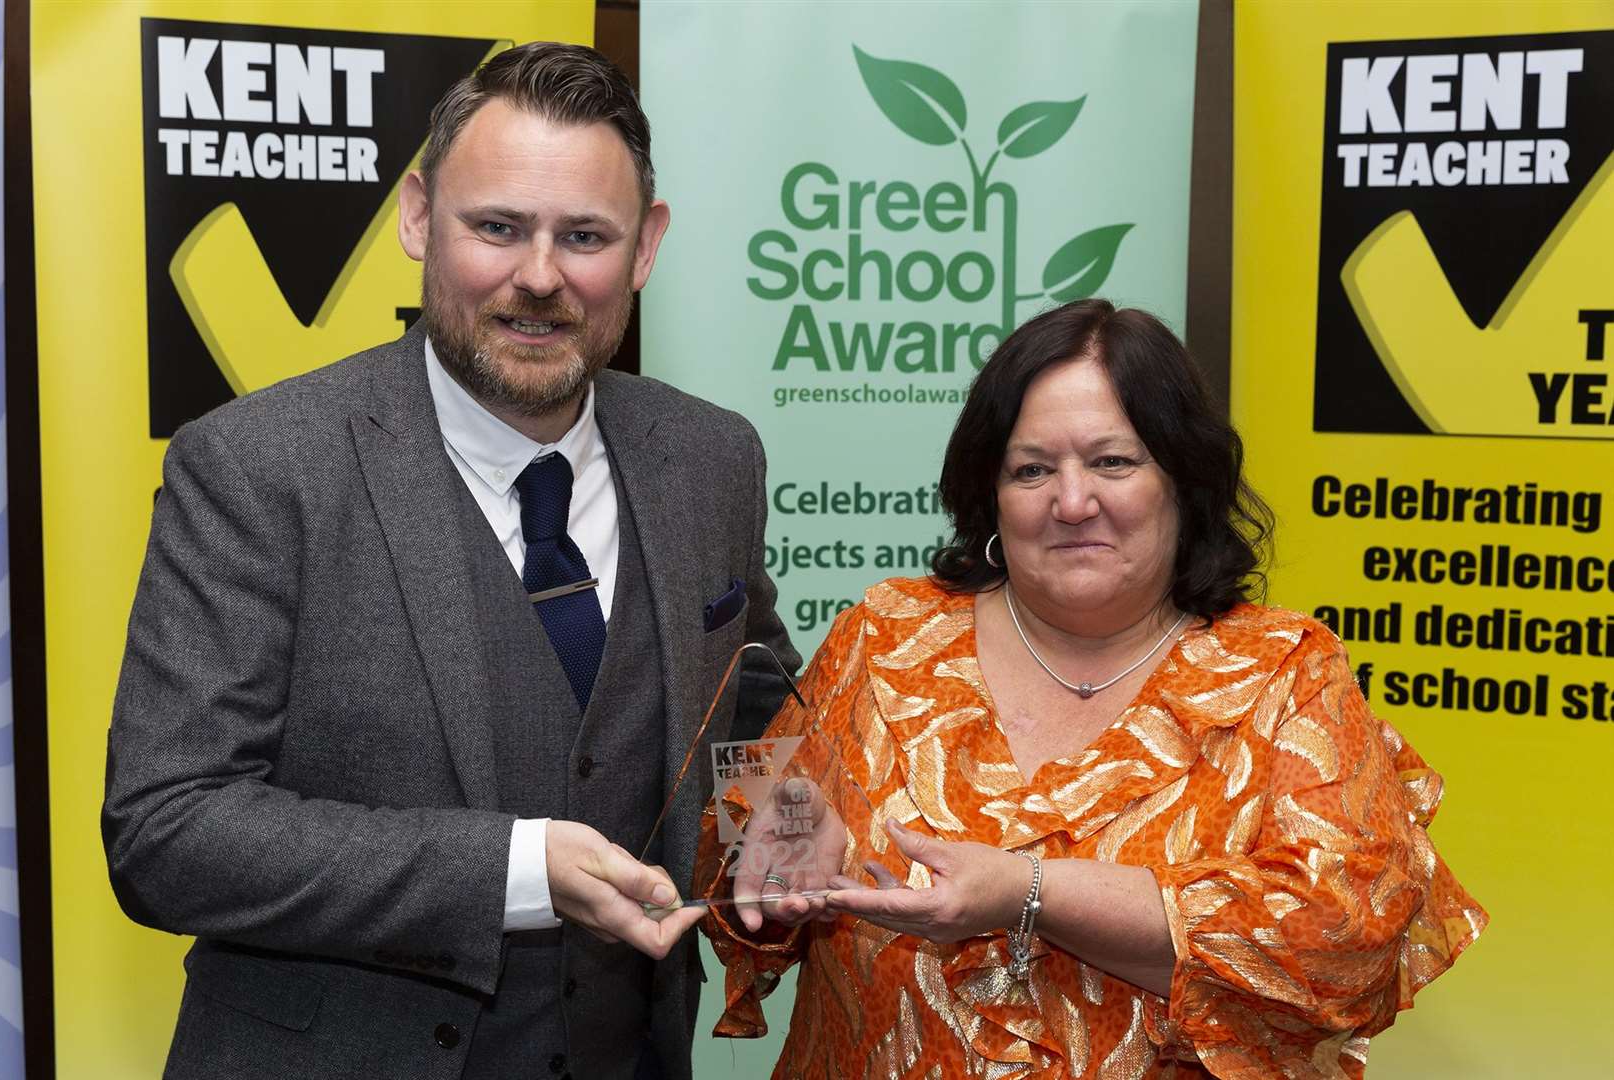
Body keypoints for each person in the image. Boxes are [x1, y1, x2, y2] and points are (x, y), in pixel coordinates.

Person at [103, 42, 797, 1080]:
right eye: (498, 227)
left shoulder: (711, 457)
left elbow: (756, 699)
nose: (540, 277)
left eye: (586, 236)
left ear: (646, 247)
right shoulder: (257, 468)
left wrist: (784, 815)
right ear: (420, 217)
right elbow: (168, 831)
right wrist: (517, 868)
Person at [697, 300, 1484, 1078]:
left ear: (1183, 479)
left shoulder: (1284, 672)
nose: (1072, 504)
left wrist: (1030, 892)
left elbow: (1346, 944)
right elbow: (751, 823)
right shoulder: (886, 633)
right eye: (1032, 469)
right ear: (991, 496)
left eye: (1113, 461)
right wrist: (767, 836)